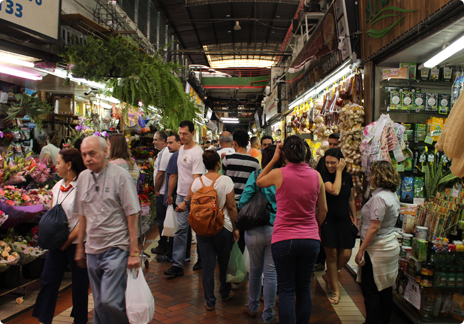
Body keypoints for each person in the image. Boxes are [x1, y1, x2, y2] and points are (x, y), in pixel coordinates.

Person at [256, 135, 327, 324]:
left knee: (286, 290)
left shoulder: (279, 173)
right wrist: (314, 226)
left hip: (283, 239)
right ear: (305, 152)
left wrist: (273, 159)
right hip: (310, 239)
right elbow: (323, 210)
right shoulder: (316, 176)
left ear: (284, 153)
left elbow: (259, 181)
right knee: (303, 289)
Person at [74, 136, 141, 324]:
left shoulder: (120, 175)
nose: (87, 158)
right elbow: (82, 214)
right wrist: (80, 246)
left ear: (105, 152)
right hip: (92, 248)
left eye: (92, 153)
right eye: (84, 154)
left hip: (116, 246)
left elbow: (132, 214)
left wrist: (134, 252)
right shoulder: (83, 177)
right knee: (99, 303)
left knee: (109, 300)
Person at [33, 148, 89, 324]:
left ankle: (80, 319)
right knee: (48, 280)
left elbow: (85, 220)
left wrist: (68, 240)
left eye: (58, 163)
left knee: (80, 285)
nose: (55, 166)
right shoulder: (57, 187)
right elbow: (52, 214)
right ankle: (44, 318)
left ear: (69, 164)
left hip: (78, 243)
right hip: (57, 244)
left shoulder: (83, 187)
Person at [189, 150, 239, 310]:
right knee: (224, 263)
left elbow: (193, 205)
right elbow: (231, 207)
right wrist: (236, 227)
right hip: (223, 226)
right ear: (218, 164)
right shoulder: (226, 180)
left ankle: (210, 301)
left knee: (208, 266)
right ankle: (224, 293)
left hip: (203, 228)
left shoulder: (197, 182)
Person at [238, 145, 281, 323]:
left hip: (254, 229)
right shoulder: (283, 177)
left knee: (255, 270)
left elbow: (243, 201)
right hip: (276, 229)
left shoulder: (257, 176)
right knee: (271, 273)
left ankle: (253, 306)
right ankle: (268, 314)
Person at [355, 161, 401, 324]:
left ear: (378, 176)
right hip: (389, 246)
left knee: (371, 290)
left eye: (372, 174)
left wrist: (361, 250)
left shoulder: (380, 198)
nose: (370, 177)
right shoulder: (392, 194)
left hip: (377, 249)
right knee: (385, 289)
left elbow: (374, 227)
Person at [164, 121, 205, 278]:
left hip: (194, 197)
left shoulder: (197, 153)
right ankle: (178, 264)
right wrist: (173, 194)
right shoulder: (181, 149)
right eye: (180, 133)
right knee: (181, 230)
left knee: (199, 229)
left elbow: (196, 180)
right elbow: (177, 174)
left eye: (185, 134)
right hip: (181, 195)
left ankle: (202, 258)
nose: (182, 136)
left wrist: (186, 201)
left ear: (193, 133)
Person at [318, 148, 358, 305]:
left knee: (346, 254)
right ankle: (336, 290)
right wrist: (339, 171)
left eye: (333, 163)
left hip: (344, 220)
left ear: (340, 161)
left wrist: (354, 218)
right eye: (327, 162)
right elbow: (334, 191)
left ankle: (329, 275)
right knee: (332, 256)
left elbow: (351, 199)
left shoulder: (348, 177)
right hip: (328, 220)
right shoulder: (324, 176)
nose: (329, 165)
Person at [223, 130, 260, 254]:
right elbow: (257, 183)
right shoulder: (255, 163)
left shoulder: (227, 159)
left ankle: (229, 265)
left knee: (230, 235)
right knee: (244, 237)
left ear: (234, 143)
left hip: (229, 204)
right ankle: (242, 266)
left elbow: (223, 179)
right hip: (247, 206)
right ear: (248, 143)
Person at [156, 134, 192, 263]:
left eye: (171, 143)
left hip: (177, 195)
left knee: (176, 228)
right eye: (168, 143)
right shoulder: (183, 155)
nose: (168, 145)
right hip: (182, 194)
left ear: (179, 143)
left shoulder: (175, 156)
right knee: (183, 227)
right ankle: (184, 254)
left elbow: (173, 177)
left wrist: (169, 195)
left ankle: (173, 255)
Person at [151, 131, 171, 255]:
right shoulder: (163, 153)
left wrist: (157, 190)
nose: (153, 142)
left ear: (163, 141)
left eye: (155, 139)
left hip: (162, 192)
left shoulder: (165, 153)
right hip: (164, 191)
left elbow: (160, 173)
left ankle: (163, 245)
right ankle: (165, 244)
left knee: (162, 220)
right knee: (164, 220)